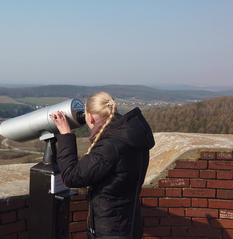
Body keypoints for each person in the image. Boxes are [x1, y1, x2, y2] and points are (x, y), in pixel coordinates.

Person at [50, 92, 155, 239]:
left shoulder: (110, 147)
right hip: (129, 225)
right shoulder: (129, 137)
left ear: (91, 116)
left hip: (111, 230)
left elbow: (72, 177)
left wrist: (66, 135)